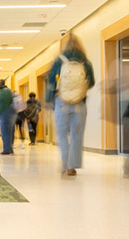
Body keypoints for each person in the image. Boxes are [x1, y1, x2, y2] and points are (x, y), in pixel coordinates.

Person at [46, 35, 95, 177]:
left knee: (62, 134)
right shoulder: (86, 62)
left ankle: (65, 162)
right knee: (77, 135)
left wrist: (49, 100)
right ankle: (72, 166)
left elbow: (51, 82)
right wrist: (79, 90)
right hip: (80, 103)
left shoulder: (59, 61)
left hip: (61, 102)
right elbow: (91, 82)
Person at [0, 80, 15, 155]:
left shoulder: (3, 93)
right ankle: (10, 149)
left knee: (5, 133)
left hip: (4, 114)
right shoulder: (9, 91)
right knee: (10, 132)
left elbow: (0, 104)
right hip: (11, 114)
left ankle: (6, 150)